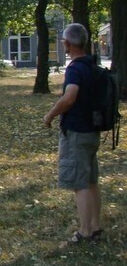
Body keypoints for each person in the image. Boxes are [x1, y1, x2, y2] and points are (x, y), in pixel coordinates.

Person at [43, 23, 103, 244]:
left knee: (80, 184)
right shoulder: (91, 65)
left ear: (68, 43)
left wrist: (50, 115)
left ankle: (85, 231)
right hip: (92, 132)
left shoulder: (76, 68)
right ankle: (96, 227)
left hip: (77, 132)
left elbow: (70, 97)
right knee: (91, 180)